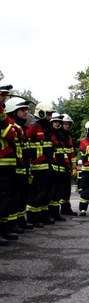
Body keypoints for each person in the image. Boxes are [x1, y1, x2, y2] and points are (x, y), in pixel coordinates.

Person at [5, 97, 34, 232]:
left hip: (24, 169)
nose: (25, 113)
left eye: (26, 110)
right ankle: (12, 224)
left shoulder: (23, 128)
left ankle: (20, 220)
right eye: (22, 110)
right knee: (13, 198)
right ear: (13, 111)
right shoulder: (13, 128)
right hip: (15, 169)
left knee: (23, 197)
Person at [26, 102, 55, 226]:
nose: (50, 117)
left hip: (47, 166)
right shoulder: (33, 126)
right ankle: (33, 218)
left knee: (47, 193)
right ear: (41, 113)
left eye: (50, 114)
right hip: (37, 167)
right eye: (48, 114)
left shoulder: (47, 128)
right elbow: (25, 145)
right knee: (37, 193)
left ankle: (43, 216)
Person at [0, 86, 20, 244]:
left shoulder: (1, 112)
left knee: (7, 198)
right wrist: (11, 131)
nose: (4, 98)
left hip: (8, 163)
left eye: (5, 95)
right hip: (2, 162)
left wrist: (12, 131)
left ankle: (4, 229)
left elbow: (17, 132)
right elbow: (10, 133)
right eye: (2, 94)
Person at [49, 113, 68, 221]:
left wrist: (67, 164)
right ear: (51, 123)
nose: (58, 124)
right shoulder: (49, 134)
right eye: (55, 122)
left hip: (61, 168)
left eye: (59, 122)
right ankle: (50, 213)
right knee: (51, 192)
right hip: (52, 167)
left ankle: (56, 213)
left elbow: (63, 152)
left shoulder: (61, 135)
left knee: (58, 193)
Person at [60, 114, 77, 216]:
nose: (67, 126)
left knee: (67, 189)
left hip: (67, 166)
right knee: (58, 190)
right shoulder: (57, 135)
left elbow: (71, 152)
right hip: (59, 165)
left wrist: (74, 166)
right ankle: (53, 210)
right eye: (65, 124)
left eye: (68, 124)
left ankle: (66, 208)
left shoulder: (69, 137)